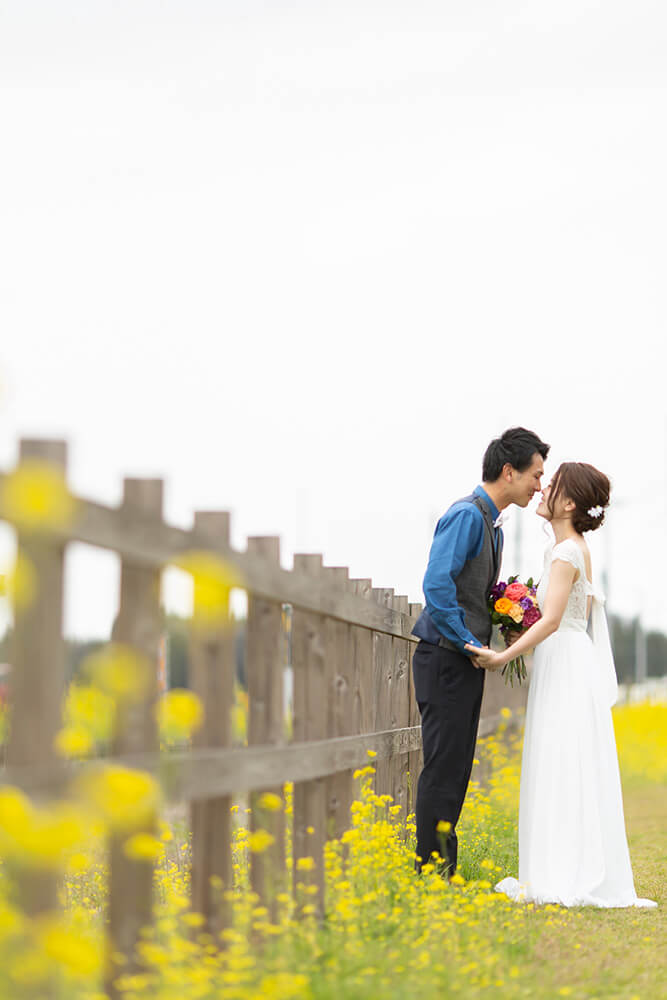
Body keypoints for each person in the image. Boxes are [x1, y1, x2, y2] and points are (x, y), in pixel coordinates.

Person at [467, 462, 656, 908]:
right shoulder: (575, 548)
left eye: (551, 485)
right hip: (570, 658)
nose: (542, 487)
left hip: (563, 660)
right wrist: (521, 623)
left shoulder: (565, 553)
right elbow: (569, 616)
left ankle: (562, 869)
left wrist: (503, 655)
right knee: (568, 757)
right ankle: (567, 862)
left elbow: (553, 620)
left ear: (568, 503)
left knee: (559, 756)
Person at [411, 427, 550, 875]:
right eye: (535, 474)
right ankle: (430, 872)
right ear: (508, 471)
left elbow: (475, 592)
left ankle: (441, 871)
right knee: (443, 764)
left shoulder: (494, 527)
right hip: (445, 656)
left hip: (462, 660)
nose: (539, 485)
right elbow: (436, 585)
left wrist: (507, 621)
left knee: (457, 765)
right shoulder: (468, 516)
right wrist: (468, 640)